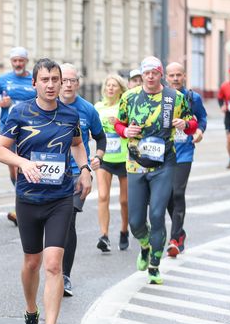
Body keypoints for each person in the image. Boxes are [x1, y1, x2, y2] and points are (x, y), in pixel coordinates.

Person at [0, 58, 92, 324]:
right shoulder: (20, 112)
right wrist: (22, 162)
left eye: (55, 80)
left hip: (60, 198)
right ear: (34, 83)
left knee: (53, 265)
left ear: (62, 83)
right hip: (28, 198)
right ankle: (30, 311)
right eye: (45, 80)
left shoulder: (70, 114)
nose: (51, 85)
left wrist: (85, 168)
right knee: (32, 263)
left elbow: (76, 143)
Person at [114, 56, 196, 285]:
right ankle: (145, 245)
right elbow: (119, 124)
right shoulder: (129, 97)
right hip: (135, 164)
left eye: (155, 72)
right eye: (146, 73)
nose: (150, 76)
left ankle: (154, 266)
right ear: (142, 75)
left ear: (161, 74)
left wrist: (185, 125)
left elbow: (192, 123)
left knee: (158, 215)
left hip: (164, 164)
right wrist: (125, 131)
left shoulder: (175, 98)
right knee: (136, 222)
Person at [59, 63, 105, 297]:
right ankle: (51, 268)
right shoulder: (46, 107)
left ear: (78, 83)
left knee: (68, 221)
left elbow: (100, 137)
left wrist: (97, 157)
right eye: (64, 80)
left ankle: (64, 275)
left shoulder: (87, 109)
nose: (68, 84)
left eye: (72, 80)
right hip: (51, 176)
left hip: (77, 175)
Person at [0, 46, 37, 226]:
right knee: (13, 168)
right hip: (8, 129)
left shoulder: (33, 80)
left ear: (26, 61)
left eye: (21, 60)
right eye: (15, 61)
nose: (18, 64)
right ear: (11, 62)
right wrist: (1, 103)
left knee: (23, 166)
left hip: (31, 130)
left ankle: (22, 205)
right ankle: (22, 198)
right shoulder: (3, 80)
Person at [165, 62, 207, 257]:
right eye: (171, 75)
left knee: (178, 192)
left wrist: (199, 131)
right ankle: (180, 231)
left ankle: (174, 238)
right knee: (167, 196)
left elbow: (202, 118)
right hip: (164, 154)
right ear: (166, 77)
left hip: (184, 153)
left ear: (184, 76)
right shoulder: (162, 97)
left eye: (178, 75)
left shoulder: (193, 98)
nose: (175, 78)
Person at [94, 75, 130, 252]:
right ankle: (104, 236)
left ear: (120, 89)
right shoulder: (98, 107)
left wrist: (117, 124)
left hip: (124, 158)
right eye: (108, 85)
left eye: (114, 86)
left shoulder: (125, 107)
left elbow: (132, 129)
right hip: (105, 158)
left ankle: (124, 230)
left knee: (125, 201)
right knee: (102, 196)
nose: (110, 88)